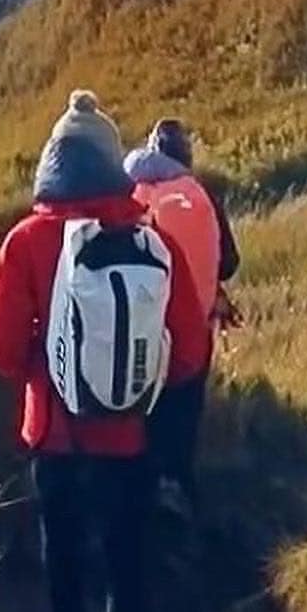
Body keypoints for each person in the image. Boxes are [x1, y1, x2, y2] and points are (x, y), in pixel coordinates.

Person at [0, 91, 210, 612]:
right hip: (128, 437)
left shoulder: (27, 242)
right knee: (126, 564)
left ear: (54, 168)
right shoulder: (152, 240)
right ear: (113, 166)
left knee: (62, 543)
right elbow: (190, 350)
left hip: (53, 431)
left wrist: (43, 373)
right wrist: (136, 383)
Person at [125, 118, 240, 518]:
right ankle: (179, 485)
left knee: (143, 412)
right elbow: (228, 263)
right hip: (194, 329)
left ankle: (146, 490)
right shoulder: (202, 194)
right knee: (185, 409)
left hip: (139, 327)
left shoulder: (128, 192)